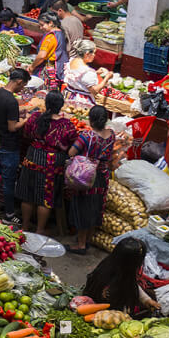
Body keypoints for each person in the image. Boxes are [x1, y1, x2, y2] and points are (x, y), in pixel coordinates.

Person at [17, 91, 76, 236]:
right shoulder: (66, 125)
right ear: (61, 106)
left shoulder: (35, 118)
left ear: (46, 104)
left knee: (28, 194)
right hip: (52, 162)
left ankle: (24, 226)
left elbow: (26, 135)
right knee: (45, 198)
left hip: (33, 156)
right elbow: (72, 143)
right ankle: (40, 230)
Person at [65, 105, 116, 254]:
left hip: (86, 177)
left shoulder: (86, 136)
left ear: (91, 119)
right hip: (102, 176)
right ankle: (87, 239)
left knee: (83, 208)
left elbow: (71, 152)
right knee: (96, 207)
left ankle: (81, 245)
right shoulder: (111, 134)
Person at [81, 236, 159, 317]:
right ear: (131, 263)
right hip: (105, 315)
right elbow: (117, 310)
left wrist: (147, 300)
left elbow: (131, 284)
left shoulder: (119, 268)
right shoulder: (111, 285)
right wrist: (126, 317)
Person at [0, 68, 32, 222]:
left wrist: (17, 115)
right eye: (23, 86)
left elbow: (2, 115)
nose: (22, 89)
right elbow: (12, 127)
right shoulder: (11, 101)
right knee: (8, 181)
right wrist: (25, 120)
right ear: (19, 82)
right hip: (9, 146)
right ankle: (9, 214)